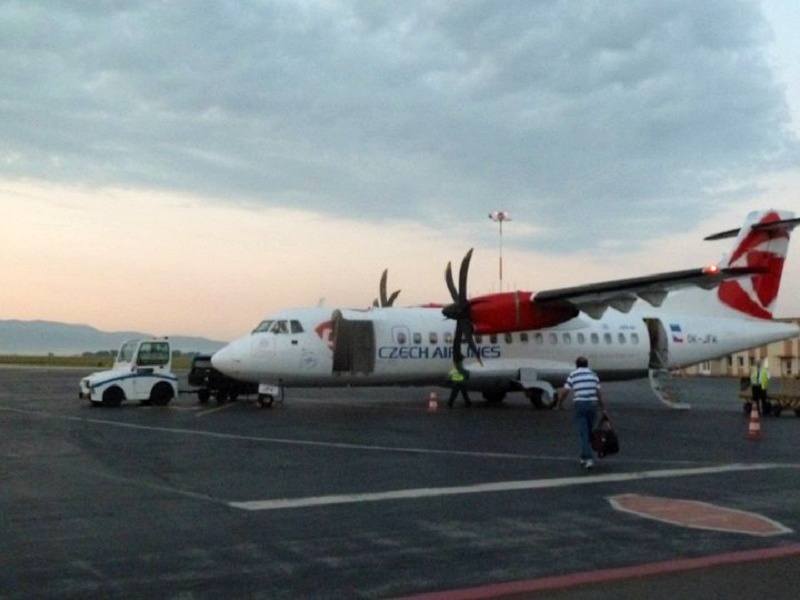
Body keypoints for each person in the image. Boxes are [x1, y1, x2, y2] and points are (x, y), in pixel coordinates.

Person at [557, 356, 606, 470]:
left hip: (580, 405)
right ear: (587, 364)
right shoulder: (594, 375)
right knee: (589, 431)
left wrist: (560, 403)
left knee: (583, 432)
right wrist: (603, 408)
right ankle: (584, 456)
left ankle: (588, 458)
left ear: (577, 365)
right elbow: (598, 393)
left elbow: (566, 391)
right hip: (592, 405)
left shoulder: (573, 375)